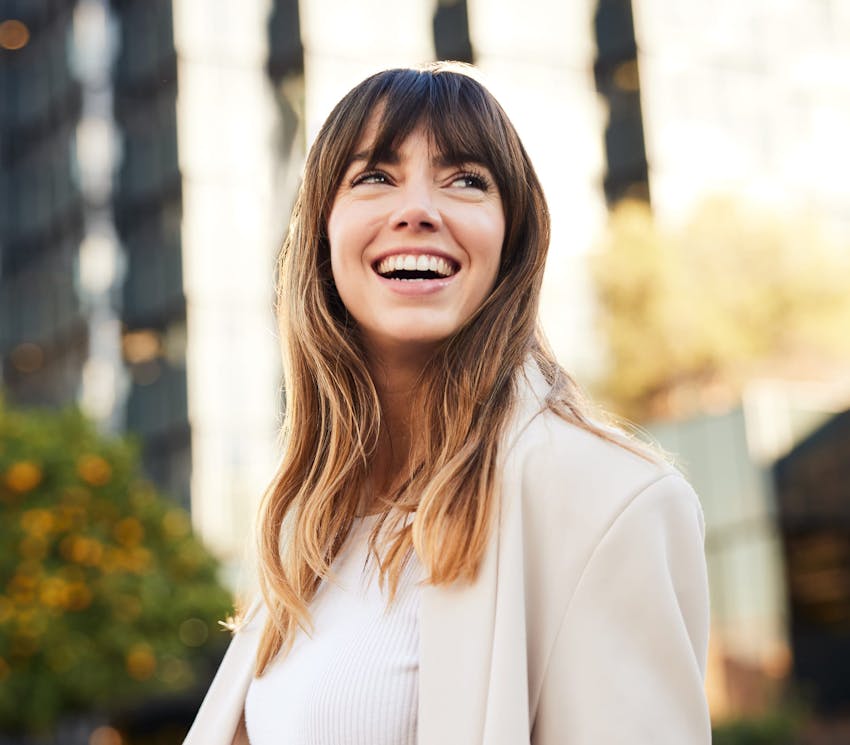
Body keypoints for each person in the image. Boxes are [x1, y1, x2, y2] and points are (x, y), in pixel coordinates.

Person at [184, 62, 711, 745]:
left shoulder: (612, 501)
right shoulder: (306, 528)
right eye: (375, 176)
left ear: (511, 239)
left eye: (466, 180)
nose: (419, 209)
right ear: (321, 233)